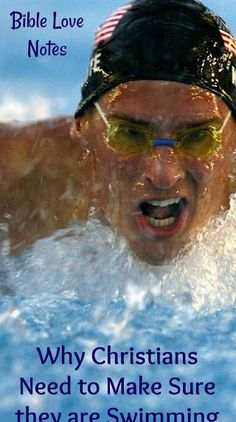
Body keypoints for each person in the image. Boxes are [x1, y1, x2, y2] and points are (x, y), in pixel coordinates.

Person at [0, 0, 236, 264]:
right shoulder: (18, 182)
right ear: (83, 128)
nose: (164, 175)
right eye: (129, 134)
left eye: (198, 137)